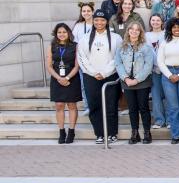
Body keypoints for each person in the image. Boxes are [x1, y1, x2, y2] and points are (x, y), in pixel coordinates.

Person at [77, 9, 123, 144]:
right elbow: (82, 58)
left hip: (110, 76)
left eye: (102, 20)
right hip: (90, 77)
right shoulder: (84, 38)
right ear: (93, 21)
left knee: (111, 106)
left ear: (107, 22)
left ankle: (112, 133)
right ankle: (99, 133)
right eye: (96, 20)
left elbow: (118, 57)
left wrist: (104, 73)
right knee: (94, 105)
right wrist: (93, 72)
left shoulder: (116, 38)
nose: (99, 22)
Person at [114, 21, 155, 145]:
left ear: (140, 32)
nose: (134, 31)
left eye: (137, 30)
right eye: (132, 29)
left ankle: (147, 133)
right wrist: (126, 78)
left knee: (143, 107)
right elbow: (118, 63)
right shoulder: (122, 47)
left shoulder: (146, 48)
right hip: (127, 82)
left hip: (142, 82)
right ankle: (135, 133)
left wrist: (137, 79)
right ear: (128, 31)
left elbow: (148, 66)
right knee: (132, 109)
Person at [47, 22, 82, 144]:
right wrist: (59, 78)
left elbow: (77, 66)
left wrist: (66, 78)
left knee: (72, 105)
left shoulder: (75, 46)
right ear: (56, 34)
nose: (62, 34)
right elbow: (49, 66)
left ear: (68, 33)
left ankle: (71, 131)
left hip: (71, 78)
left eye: (64, 32)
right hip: (57, 78)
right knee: (59, 105)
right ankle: (62, 132)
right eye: (59, 32)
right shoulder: (52, 46)